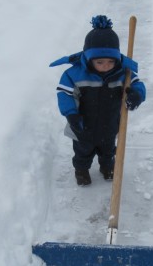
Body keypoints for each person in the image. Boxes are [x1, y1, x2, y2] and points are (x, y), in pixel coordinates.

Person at [49, 15, 146, 186]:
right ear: (88, 58)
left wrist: (136, 95)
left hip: (110, 123)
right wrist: (71, 114)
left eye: (111, 61)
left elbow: (138, 84)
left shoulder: (123, 73)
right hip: (82, 125)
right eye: (99, 62)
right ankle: (81, 171)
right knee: (82, 153)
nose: (106, 66)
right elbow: (65, 94)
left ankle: (107, 167)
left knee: (108, 151)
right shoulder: (74, 74)